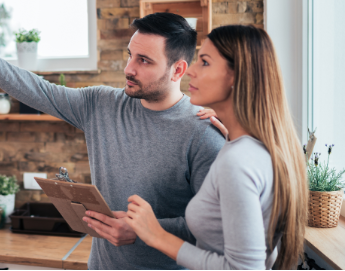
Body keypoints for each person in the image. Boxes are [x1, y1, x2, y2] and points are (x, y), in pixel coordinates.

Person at [0, 0, 226, 269]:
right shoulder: (101, 104)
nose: (129, 69)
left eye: (144, 60)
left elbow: (216, 228)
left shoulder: (203, 133)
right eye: (130, 55)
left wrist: (144, 230)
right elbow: (38, 90)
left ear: (178, 70)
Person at [124, 25, 308, 269]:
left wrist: (156, 235)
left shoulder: (238, 162)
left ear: (236, 76)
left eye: (205, 62)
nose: (191, 71)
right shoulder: (254, 147)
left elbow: (244, 268)